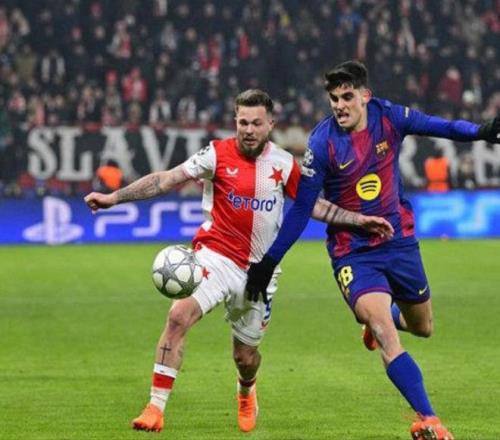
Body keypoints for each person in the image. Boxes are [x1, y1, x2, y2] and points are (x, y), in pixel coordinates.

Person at [84, 89, 393, 434]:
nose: (248, 129)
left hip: (259, 272)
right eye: (243, 122)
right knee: (178, 316)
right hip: (214, 257)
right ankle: (155, 407)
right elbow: (167, 179)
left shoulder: (284, 164)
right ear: (235, 121)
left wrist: (359, 220)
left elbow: (315, 206)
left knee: (245, 357)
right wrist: (115, 197)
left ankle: (246, 389)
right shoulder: (216, 154)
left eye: (256, 123)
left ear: (270, 124)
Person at [245, 62, 500, 440]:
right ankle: (429, 419)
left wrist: (481, 132)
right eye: (334, 99)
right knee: (385, 332)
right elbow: (301, 209)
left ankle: (382, 321)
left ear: (365, 96)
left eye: (347, 97)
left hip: (399, 241)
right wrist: (269, 261)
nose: (339, 105)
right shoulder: (322, 143)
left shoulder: (389, 117)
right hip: (353, 252)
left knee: (422, 327)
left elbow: (440, 126)